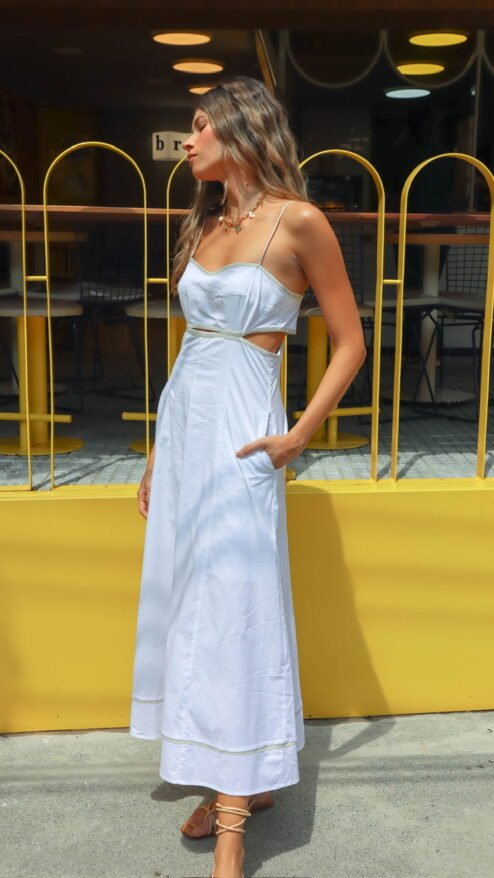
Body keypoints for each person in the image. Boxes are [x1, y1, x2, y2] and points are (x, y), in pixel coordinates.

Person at [130, 75, 366, 878]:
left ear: (241, 128)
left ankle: (232, 828)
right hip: (185, 433)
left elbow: (350, 342)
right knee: (193, 610)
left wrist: (299, 435)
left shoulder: (299, 221)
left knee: (236, 613)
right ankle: (241, 782)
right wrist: (156, 455)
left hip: (242, 438)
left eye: (201, 125)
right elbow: (190, 346)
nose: (189, 140)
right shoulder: (203, 222)